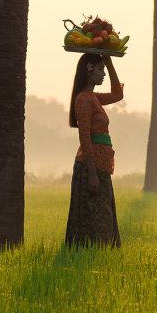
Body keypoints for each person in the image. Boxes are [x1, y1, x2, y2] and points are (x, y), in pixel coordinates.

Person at [66, 53, 124, 246]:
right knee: (95, 219)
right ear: (89, 71)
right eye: (100, 70)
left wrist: (109, 61)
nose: (104, 74)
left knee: (104, 215)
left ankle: (101, 256)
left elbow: (118, 94)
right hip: (91, 167)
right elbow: (84, 137)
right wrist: (92, 173)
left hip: (102, 166)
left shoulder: (93, 98)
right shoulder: (84, 100)